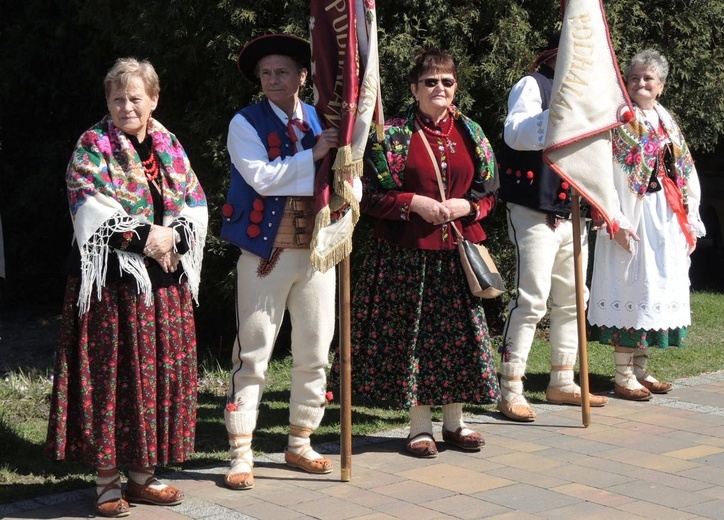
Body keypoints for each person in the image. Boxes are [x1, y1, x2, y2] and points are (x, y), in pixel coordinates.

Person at [45, 58, 208, 518]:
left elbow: (194, 201)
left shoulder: (169, 145)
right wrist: (145, 237)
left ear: (153, 100)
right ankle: (106, 481)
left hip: (164, 285)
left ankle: (143, 475)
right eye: (117, 98)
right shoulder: (92, 145)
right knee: (112, 379)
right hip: (113, 289)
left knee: (153, 378)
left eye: (136, 97)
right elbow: (88, 206)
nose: (126, 106)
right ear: (107, 103)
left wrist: (173, 236)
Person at [331, 48, 500, 458]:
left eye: (446, 81)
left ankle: (456, 423)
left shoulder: (473, 133)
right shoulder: (390, 136)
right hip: (408, 255)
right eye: (430, 81)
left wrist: (470, 207)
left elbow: (489, 193)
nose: (438, 88)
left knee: (459, 340)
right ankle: (419, 427)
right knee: (417, 341)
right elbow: (365, 197)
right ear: (413, 88)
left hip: (459, 254)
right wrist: (412, 203)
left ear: (456, 87)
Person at [220, 34, 345, 490]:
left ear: (302, 77)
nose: (272, 80)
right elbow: (262, 178)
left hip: (315, 252)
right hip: (264, 254)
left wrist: (345, 165)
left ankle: (300, 440)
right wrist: (314, 154)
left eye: (282, 72)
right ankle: (241, 452)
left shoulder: (322, 118)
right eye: (266, 73)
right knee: (252, 354)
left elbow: (341, 176)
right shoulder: (245, 122)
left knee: (314, 351)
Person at [496, 32, 608, 422]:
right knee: (532, 299)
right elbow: (516, 133)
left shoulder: (588, 97)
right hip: (532, 207)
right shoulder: (533, 85)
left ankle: (562, 380)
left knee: (575, 297)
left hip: (571, 212)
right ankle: (509, 386)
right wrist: (563, 111)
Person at [588, 50, 706, 401]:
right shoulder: (621, 119)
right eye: (635, 77)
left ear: (661, 87)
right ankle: (623, 375)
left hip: (664, 214)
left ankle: (640, 369)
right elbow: (605, 172)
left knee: (651, 289)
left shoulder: (667, 121)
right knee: (631, 286)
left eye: (648, 78)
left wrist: (690, 215)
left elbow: (684, 168)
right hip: (631, 215)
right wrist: (615, 218)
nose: (640, 83)